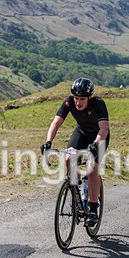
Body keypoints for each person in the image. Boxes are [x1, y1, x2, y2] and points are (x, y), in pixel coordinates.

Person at [41, 78, 109, 226]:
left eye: (82, 99)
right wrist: (48, 142)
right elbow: (56, 123)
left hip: (99, 136)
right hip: (81, 133)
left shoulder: (98, 103)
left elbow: (104, 129)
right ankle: (77, 190)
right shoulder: (69, 102)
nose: (78, 102)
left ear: (89, 97)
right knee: (68, 159)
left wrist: (96, 144)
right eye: (76, 98)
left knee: (91, 169)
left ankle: (93, 209)